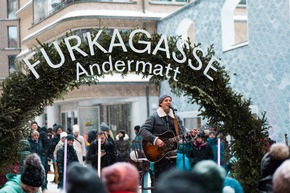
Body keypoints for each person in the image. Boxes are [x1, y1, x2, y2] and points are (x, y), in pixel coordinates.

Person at [139, 94, 185, 182]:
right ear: (160, 103)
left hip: (172, 154)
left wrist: (191, 134)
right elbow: (143, 130)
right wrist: (155, 140)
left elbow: (182, 133)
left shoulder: (176, 118)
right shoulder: (154, 117)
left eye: (170, 100)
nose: (168, 102)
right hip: (158, 154)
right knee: (159, 181)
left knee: (172, 182)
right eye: (166, 100)